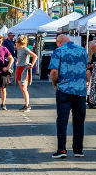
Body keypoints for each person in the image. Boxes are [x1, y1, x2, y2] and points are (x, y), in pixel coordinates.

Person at [46, 30, 91, 158]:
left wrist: (55, 84)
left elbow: (54, 71)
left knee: (62, 120)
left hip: (64, 90)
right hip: (80, 91)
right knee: (79, 121)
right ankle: (78, 150)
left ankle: (62, 150)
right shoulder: (82, 50)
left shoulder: (58, 51)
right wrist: (85, 83)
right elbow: (87, 70)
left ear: (59, 42)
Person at [12, 36, 39, 112]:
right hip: (18, 68)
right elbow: (19, 58)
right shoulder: (18, 49)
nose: (15, 43)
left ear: (20, 42)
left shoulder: (25, 49)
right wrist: (17, 62)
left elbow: (35, 56)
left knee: (24, 88)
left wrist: (32, 65)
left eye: (16, 42)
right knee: (21, 88)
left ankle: (27, 105)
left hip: (24, 68)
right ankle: (26, 104)